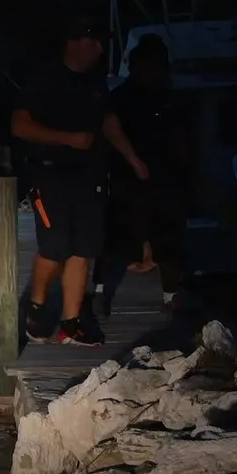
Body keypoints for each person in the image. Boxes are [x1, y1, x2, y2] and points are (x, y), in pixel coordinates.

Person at [12, 16, 148, 346]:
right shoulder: (44, 79)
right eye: (94, 42)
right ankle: (36, 306)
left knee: (84, 248)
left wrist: (133, 159)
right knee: (55, 247)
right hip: (49, 174)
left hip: (90, 176)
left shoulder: (96, 81)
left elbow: (109, 123)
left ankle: (71, 322)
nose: (100, 49)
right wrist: (68, 139)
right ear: (74, 42)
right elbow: (20, 126)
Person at [100, 35, 190, 313]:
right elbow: (108, 135)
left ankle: (170, 297)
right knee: (117, 240)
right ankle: (98, 293)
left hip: (165, 179)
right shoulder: (120, 98)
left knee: (169, 240)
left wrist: (188, 175)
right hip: (127, 180)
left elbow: (182, 139)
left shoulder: (170, 98)